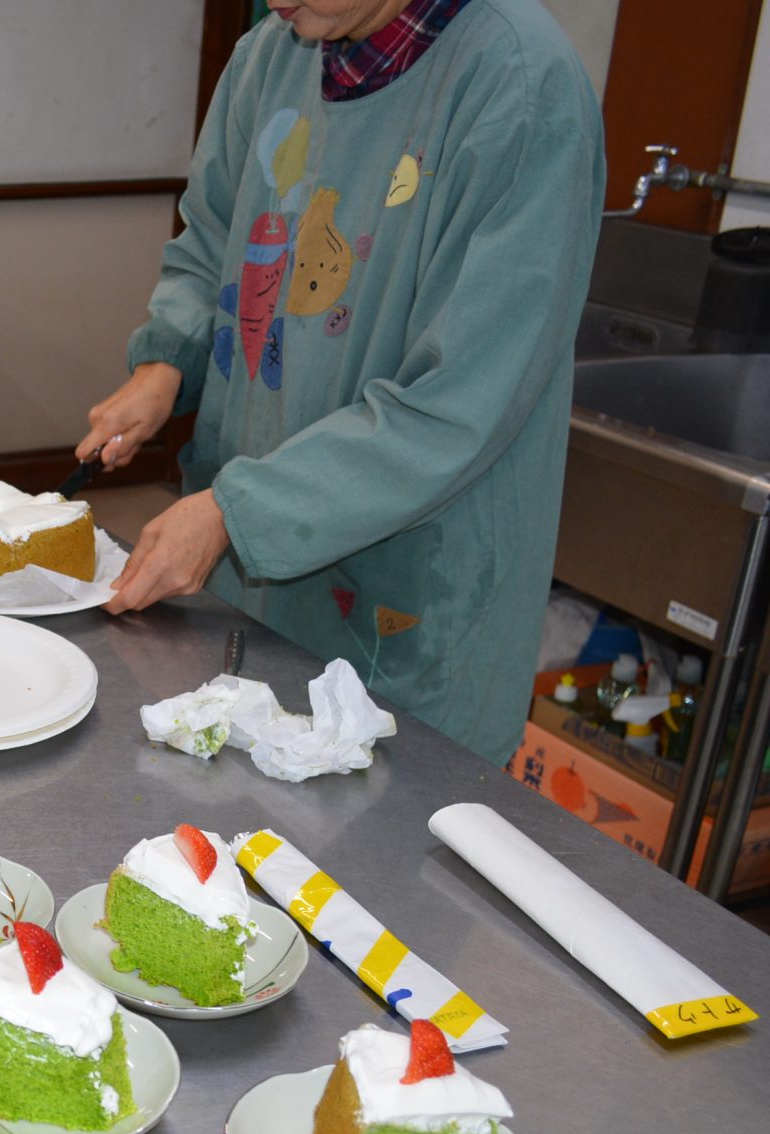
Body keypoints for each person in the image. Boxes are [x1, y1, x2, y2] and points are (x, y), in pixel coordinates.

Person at [76, 0, 602, 764]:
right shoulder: (271, 55)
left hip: (410, 601)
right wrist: (166, 366)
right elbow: (214, 244)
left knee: (369, 855)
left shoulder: (519, 90)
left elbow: (456, 403)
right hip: (254, 578)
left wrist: (234, 511)